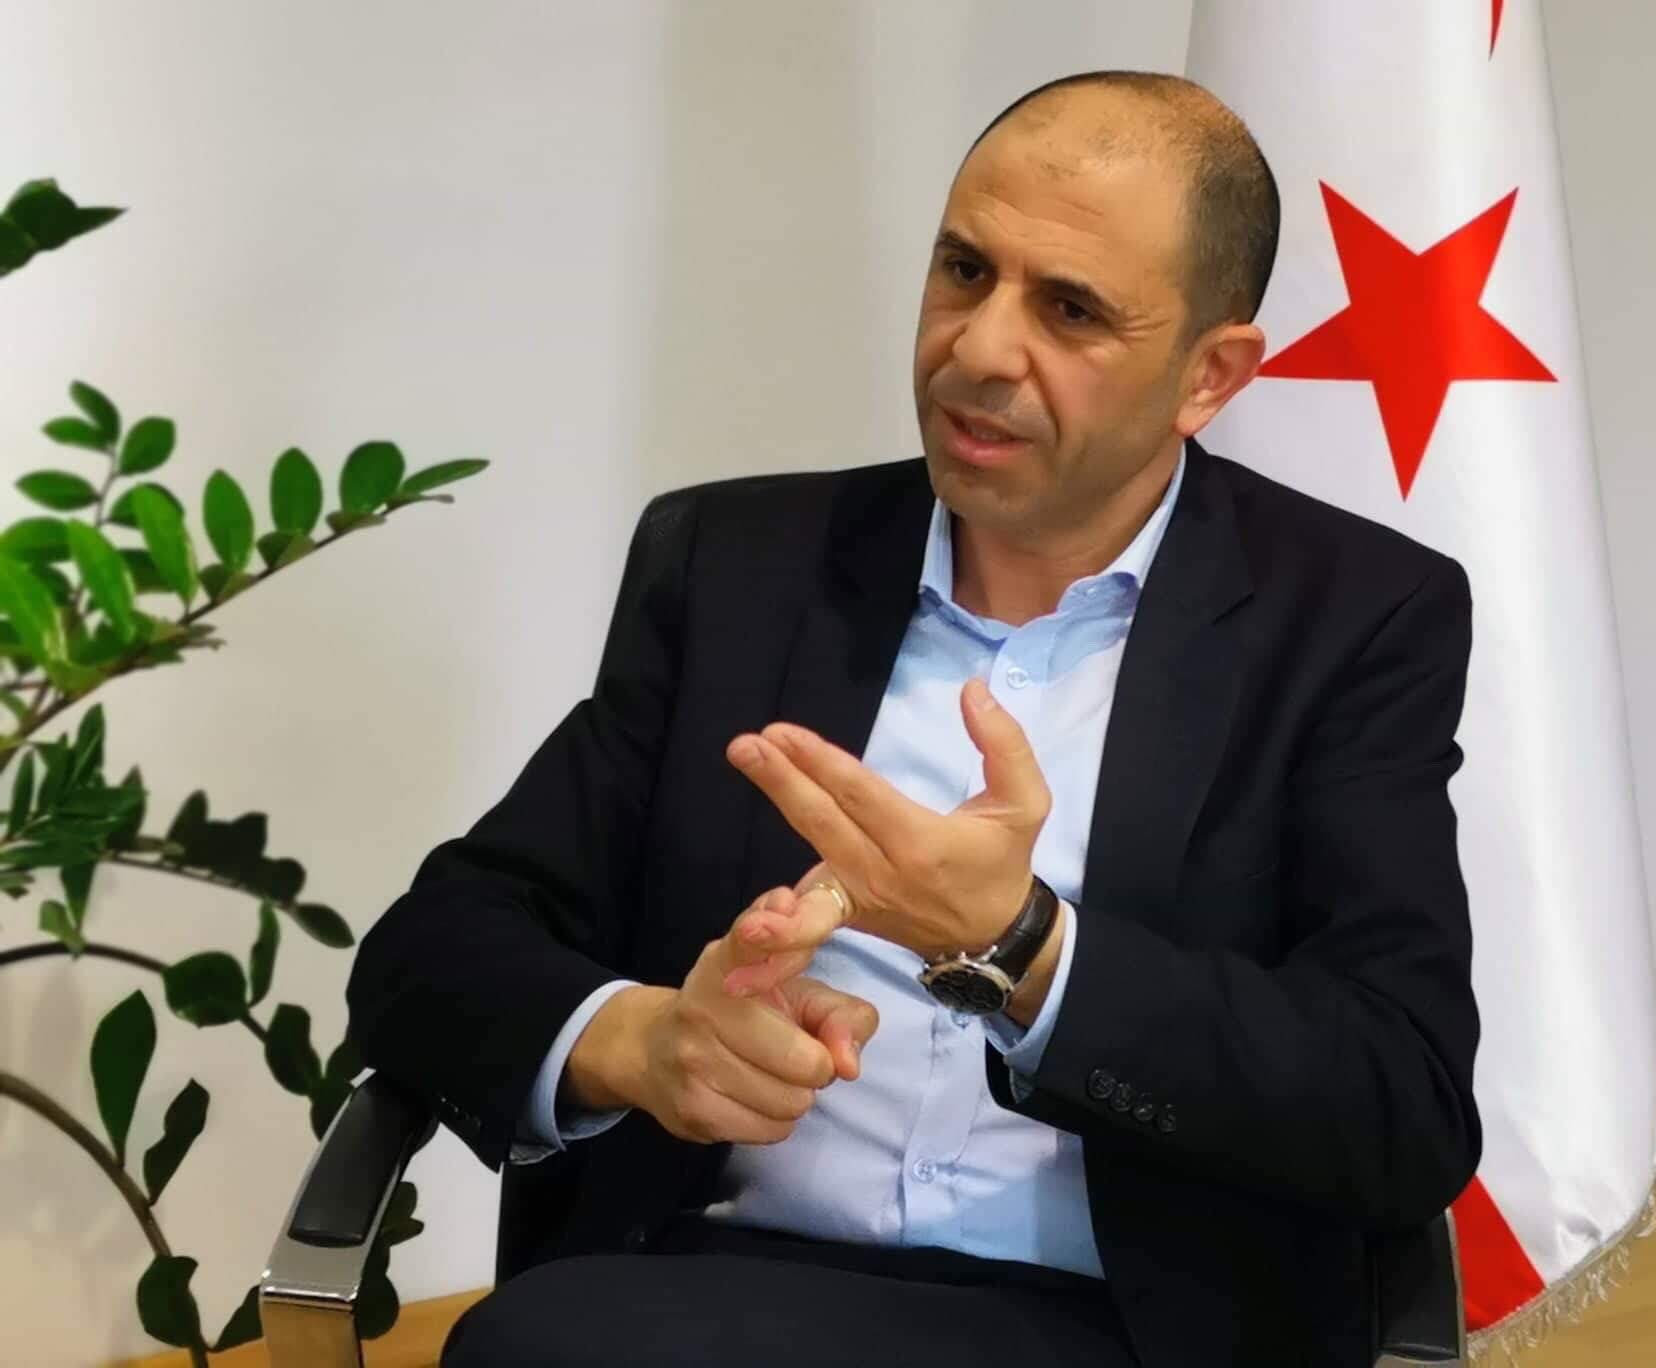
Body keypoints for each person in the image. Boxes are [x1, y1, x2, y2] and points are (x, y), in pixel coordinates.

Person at [347, 68, 1481, 1368]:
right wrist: (643, 1042)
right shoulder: (740, 569)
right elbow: (432, 952)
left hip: (1128, 1328)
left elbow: (1397, 1105)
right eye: (963, 271)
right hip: (712, 1301)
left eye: (1070, 309)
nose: (979, 350)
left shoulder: (1350, 619)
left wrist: (1022, 948)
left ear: (1207, 376)